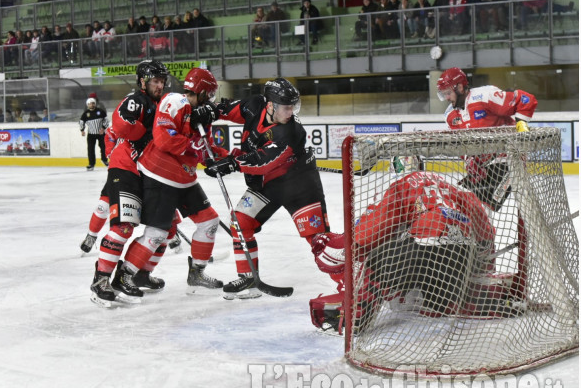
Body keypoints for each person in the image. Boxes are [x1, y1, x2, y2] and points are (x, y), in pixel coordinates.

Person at [308, 161, 501, 334]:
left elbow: (370, 233)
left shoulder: (403, 185)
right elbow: (486, 233)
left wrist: (347, 245)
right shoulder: (452, 186)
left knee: (380, 258)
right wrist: (482, 271)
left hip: (426, 254)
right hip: (462, 262)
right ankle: (452, 301)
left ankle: (355, 313)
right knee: (436, 288)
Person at [205, 78, 330, 300]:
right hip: (268, 185)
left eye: (293, 106)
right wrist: (209, 111)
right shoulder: (255, 106)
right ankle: (249, 279)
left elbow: (265, 160)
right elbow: (229, 109)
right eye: (286, 107)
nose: (291, 112)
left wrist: (233, 163)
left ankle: (352, 281)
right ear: (270, 105)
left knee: (319, 239)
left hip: (300, 185)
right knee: (240, 222)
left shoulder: (292, 131)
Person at [114, 67, 227, 300]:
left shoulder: (202, 114)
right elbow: (164, 139)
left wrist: (228, 158)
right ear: (203, 92)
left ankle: (197, 273)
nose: (211, 100)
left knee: (209, 221)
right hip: (159, 175)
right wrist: (194, 146)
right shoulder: (174, 101)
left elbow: (203, 148)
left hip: (185, 178)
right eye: (210, 94)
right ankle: (125, 275)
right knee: (157, 232)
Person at [88, 60, 172, 306]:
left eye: (162, 81)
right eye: (155, 81)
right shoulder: (138, 100)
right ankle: (101, 279)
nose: (160, 85)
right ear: (143, 81)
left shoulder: (163, 105)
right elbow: (121, 124)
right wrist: (144, 135)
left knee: (167, 228)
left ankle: (141, 274)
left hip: (149, 173)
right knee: (124, 226)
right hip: (126, 168)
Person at [436, 67, 538, 211]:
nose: (446, 98)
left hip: (509, 158)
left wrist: (521, 123)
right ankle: (478, 232)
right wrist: (469, 159)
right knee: (462, 201)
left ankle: (528, 232)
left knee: (483, 204)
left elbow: (526, 100)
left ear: (460, 87)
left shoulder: (485, 96)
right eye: (444, 94)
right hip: (483, 166)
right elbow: (460, 145)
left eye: (448, 93)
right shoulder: (450, 116)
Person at [79, 97, 109, 171]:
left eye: (93, 103)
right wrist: (82, 130)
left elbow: (106, 120)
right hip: (91, 134)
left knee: (104, 147)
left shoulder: (100, 111)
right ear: (87, 105)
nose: (91, 105)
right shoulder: (85, 114)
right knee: (90, 149)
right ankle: (91, 164)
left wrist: (103, 128)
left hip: (101, 133)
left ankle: (104, 160)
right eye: (90, 104)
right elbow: (81, 122)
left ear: (95, 104)